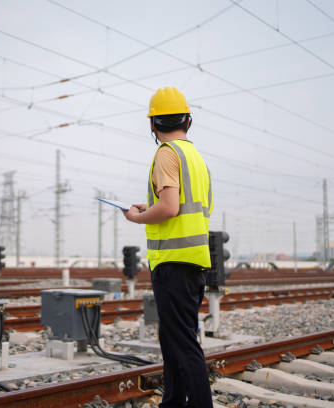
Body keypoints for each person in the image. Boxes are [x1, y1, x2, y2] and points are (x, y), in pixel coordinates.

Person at [123, 86, 213, 407]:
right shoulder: (196, 159)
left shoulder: (166, 153)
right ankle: (172, 402)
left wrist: (138, 217)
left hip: (173, 263)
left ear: (152, 124)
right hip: (195, 262)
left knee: (184, 343)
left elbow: (171, 207)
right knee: (173, 338)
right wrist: (150, 208)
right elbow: (190, 209)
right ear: (188, 120)